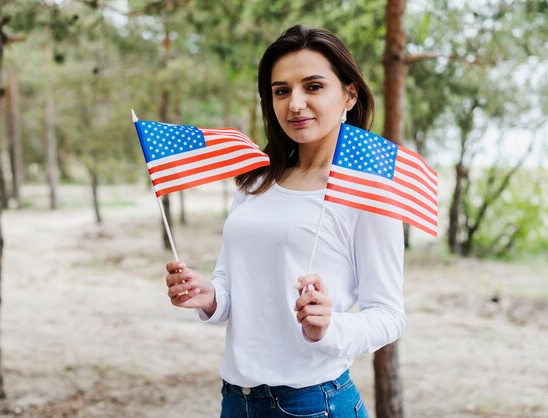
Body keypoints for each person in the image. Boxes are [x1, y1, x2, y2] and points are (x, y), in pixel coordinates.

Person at [165, 24, 404, 418]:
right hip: (236, 399)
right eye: (281, 90)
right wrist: (207, 295)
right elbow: (230, 285)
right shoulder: (257, 180)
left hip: (313, 402)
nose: (294, 103)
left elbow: (390, 316)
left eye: (313, 87)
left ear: (349, 94)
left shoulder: (366, 192)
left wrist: (331, 326)